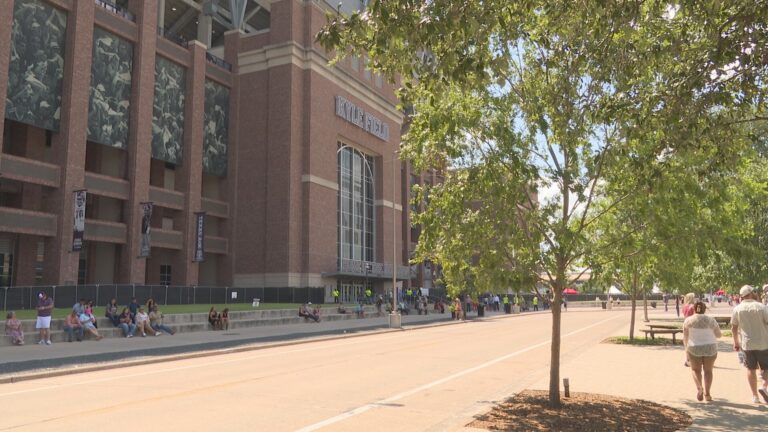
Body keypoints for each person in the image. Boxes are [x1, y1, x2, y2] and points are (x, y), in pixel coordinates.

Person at [732, 285, 768, 403]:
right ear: (752, 293)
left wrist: (736, 342)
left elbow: (734, 327)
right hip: (763, 342)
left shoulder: (737, 309)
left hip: (747, 343)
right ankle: (763, 386)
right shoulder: (761, 307)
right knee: (766, 368)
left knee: (750, 369)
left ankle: (754, 396)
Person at [683, 301, 721, 401]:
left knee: (695, 370)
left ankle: (699, 387)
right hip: (710, 348)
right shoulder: (711, 320)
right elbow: (719, 335)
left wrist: (686, 351)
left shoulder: (688, 321)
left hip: (694, 348)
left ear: (694, 309)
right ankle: (707, 394)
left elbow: (685, 337)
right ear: (704, 309)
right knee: (708, 371)